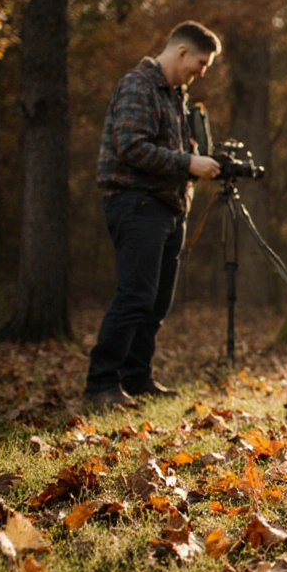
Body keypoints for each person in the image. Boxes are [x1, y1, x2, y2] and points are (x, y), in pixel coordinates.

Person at [84, 21, 223, 409]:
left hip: (167, 210)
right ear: (181, 52)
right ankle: (100, 385)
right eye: (200, 63)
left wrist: (196, 165)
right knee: (134, 297)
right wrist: (188, 163)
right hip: (136, 204)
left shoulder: (174, 96)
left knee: (156, 303)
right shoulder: (139, 85)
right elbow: (130, 146)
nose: (201, 73)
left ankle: (136, 377)